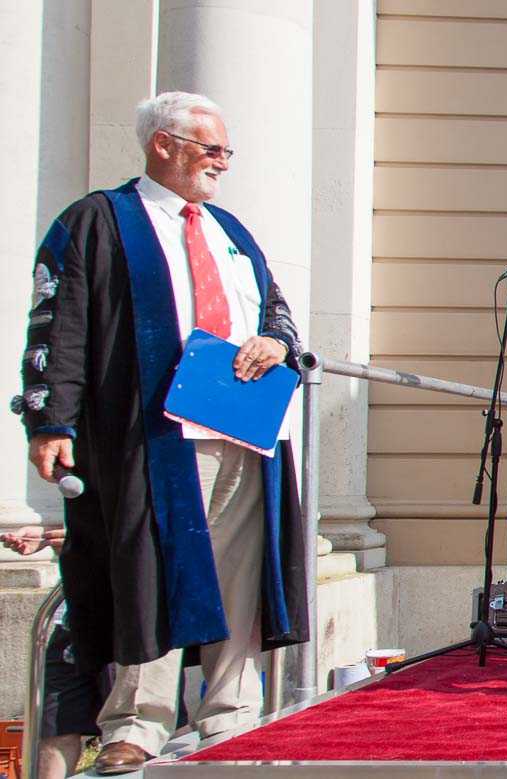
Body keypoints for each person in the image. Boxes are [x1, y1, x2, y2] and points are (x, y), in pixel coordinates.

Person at [20, 91, 310, 774]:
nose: (223, 164)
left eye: (226, 152)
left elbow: (277, 314)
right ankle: (137, 721)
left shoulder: (230, 230)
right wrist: (50, 418)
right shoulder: (101, 221)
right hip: (152, 433)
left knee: (240, 574)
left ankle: (233, 712)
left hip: (242, 430)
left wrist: (274, 341)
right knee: (148, 572)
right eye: (212, 149)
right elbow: (58, 324)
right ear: (163, 144)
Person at [4, 525, 112, 779]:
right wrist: (48, 534)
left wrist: (87, 541)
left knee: (131, 731)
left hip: (125, 616)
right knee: (56, 725)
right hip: (71, 618)